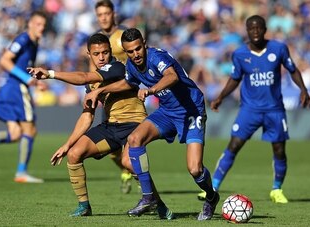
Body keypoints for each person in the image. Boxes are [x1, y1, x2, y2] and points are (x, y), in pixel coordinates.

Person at [28, 33, 174, 219]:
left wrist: (50, 74)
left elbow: (83, 76)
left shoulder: (117, 67)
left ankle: (158, 203)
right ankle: (84, 206)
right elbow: (87, 116)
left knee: (129, 162)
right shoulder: (92, 83)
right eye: (96, 54)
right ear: (89, 54)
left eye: (105, 52)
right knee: (74, 154)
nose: (102, 57)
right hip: (112, 126)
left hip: (135, 123)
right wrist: (67, 144)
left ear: (111, 52)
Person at [84, 28, 219, 221]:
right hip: (167, 112)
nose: (135, 54)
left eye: (138, 49)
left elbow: (172, 76)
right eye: (130, 51)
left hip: (191, 110)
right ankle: (149, 198)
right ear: (125, 51)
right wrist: (100, 91)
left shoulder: (157, 57)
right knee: (134, 139)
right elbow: (128, 84)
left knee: (195, 169)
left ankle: (212, 197)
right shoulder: (131, 65)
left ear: (144, 44)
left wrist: (152, 90)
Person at [197, 15, 310, 203]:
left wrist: (304, 89)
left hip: (274, 109)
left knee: (279, 150)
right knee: (233, 146)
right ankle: (213, 187)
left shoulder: (278, 48)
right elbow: (235, 78)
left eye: (259, 28)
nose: (255, 31)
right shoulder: (240, 54)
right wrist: (220, 97)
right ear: (247, 31)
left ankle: (277, 189)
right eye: (251, 28)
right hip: (249, 110)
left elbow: (293, 70)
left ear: (265, 29)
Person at [0, 11, 47, 183]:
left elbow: (25, 66)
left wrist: (36, 81)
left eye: (44, 25)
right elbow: (4, 60)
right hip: (16, 88)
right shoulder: (23, 39)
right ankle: (21, 173)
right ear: (30, 24)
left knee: (16, 134)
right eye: (38, 24)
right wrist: (26, 79)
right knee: (30, 130)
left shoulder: (34, 42)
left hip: (11, 88)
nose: (42, 28)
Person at [94, 0, 133, 193]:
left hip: (127, 95)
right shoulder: (96, 39)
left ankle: (142, 180)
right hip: (107, 96)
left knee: (131, 141)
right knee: (111, 151)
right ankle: (126, 170)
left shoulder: (124, 34)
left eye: (106, 13)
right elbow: (92, 69)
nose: (103, 18)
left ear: (113, 14)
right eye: (100, 15)